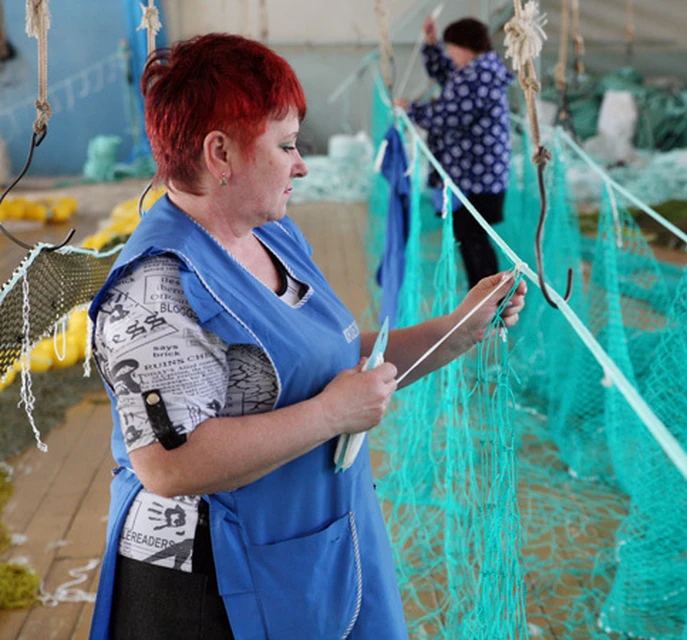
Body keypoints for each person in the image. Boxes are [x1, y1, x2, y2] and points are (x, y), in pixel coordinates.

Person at [87, 33, 526, 640]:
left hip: (308, 547)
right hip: (207, 587)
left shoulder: (271, 236)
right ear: (221, 154)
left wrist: (455, 331)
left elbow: (335, 361)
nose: (302, 164)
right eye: (287, 145)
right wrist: (328, 416)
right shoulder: (158, 286)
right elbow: (169, 463)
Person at [398, 17, 514, 289]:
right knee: (469, 237)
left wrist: (411, 110)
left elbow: (449, 116)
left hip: (476, 176)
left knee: (473, 237)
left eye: (451, 48)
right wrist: (430, 42)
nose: (449, 54)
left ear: (465, 47)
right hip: (473, 173)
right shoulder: (473, 70)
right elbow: (444, 72)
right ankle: (485, 294)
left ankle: (491, 298)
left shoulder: (480, 75)